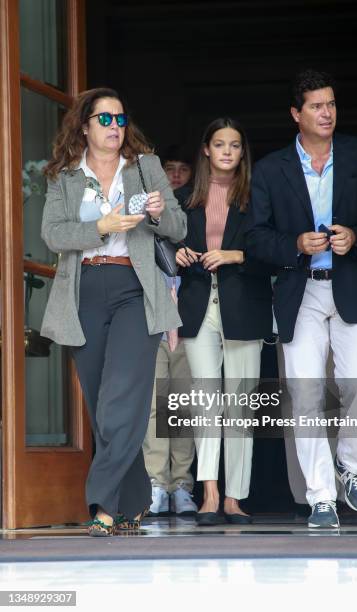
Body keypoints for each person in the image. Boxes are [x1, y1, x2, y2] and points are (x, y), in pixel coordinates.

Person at [245, 69, 357, 528]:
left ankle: (349, 466)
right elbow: (255, 237)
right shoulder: (272, 169)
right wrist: (294, 244)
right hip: (300, 290)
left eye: (330, 104)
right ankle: (321, 497)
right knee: (306, 391)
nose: (326, 112)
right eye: (316, 106)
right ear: (296, 114)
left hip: (352, 282)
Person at [40, 87, 186, 536]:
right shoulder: (65, 176)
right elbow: (52, 235)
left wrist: (160, 212)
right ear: (84, 125)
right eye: (104, 120)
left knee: (122, 396)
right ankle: (136, 499)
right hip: (83, 291)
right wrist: (100, 227)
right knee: (103, 406)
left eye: (120, 120)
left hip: (134, 289)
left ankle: (103, 504)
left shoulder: (145, 168)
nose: (114, 128)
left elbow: (178, 227)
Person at [176, 118, 274, 526]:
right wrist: (178, 254)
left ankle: (235, 496)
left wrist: (237, 256)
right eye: (220, 144)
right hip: (199, 303)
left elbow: (274, 249)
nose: (228, 152)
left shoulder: (257, 196)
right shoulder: (183, 197)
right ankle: (209, 493)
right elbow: (163, 244)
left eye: (235, 145)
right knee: (205, 404)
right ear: (206, 150)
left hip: (244, 302)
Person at [142, 145, 197, 516]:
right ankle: (155, 484)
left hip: (189, 322)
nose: (175, 176)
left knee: (183, 407)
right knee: (153, 407)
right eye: (169, 169)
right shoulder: (144, 207)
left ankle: (182, 485)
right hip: (151, 318)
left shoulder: (195, 211)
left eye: (182, 169)